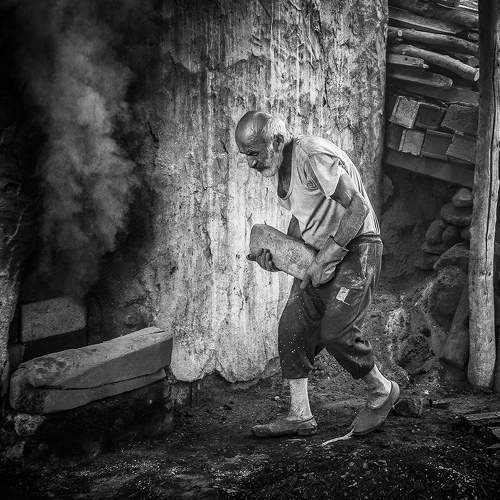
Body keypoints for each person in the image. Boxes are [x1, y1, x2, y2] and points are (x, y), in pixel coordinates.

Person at [235, 110, 399, 437]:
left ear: (277, 141)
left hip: (357, 248)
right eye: (245, 155)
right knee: (291, 327)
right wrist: (280, 255)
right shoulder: (281, 170)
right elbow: (303, 218)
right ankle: (300, 414)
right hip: (318, 253)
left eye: (254, 153)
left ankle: (383, 390)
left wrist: (328, 257)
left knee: (336, 331)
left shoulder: (310, 156)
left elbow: (358, 208)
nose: (250, 163)